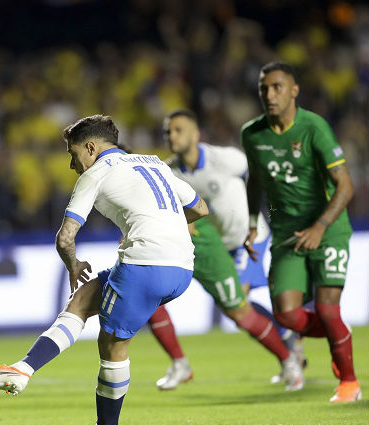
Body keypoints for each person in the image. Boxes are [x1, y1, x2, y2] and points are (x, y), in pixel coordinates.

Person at [0, 114, 209, 425]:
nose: (71, 164)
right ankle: (21, 369)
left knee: (111, 346)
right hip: (182, 268)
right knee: (82, 302)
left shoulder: (97, 172)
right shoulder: (153, 163)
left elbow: (65, 238)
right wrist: (166, 227)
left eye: (73, 153)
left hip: (145, 264)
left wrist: (73, 265)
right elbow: (200, 208)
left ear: (91, 148)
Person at [149, 110, 304, 391]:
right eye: (168, 132)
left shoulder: (224, 159)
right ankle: (287, 340)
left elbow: (259, 176)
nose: (172, 136)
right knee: (233, 305)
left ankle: (289, 348)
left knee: (238, 301)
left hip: (247, 238)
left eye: (178, 130)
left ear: (195, 135)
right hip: (218, 246)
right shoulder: (171, 172)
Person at [241, 61, 360, 403]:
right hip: (286, 234)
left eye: (277, 87)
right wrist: (252, 223)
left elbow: (346, 186)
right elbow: (255, 180)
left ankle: (349, 382)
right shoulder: (252, 133)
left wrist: (321, 227)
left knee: (326, 310)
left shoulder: (313, 127)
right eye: (264, 88)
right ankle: (341, 335)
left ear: (294, 91)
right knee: (288, 316)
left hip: (329, 228)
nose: (269, 94)